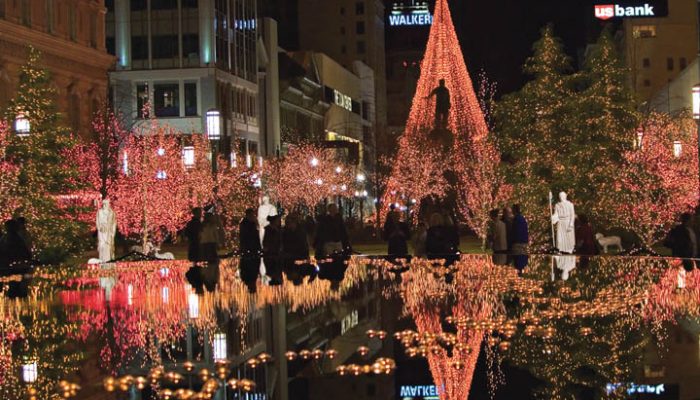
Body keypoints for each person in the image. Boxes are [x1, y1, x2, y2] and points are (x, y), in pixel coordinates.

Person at [282, 213, 314, 285]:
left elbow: (304, 244)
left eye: (290, 223)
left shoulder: (300, 231)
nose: (289, 225)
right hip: (291, 254)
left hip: (299, 254)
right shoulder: (286, 232)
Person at [239, 209, 262, 292]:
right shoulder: (245, 224)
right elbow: (245, 236)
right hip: (248, 247)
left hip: (253, 247)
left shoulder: (251, 223)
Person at [263, 214, 283, 284]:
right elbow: (267, 242)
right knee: (273, 268)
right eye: (277, 220)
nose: (279, 222)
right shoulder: (268, 230)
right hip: (271, 255)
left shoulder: (278, 230)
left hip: (276, 254)